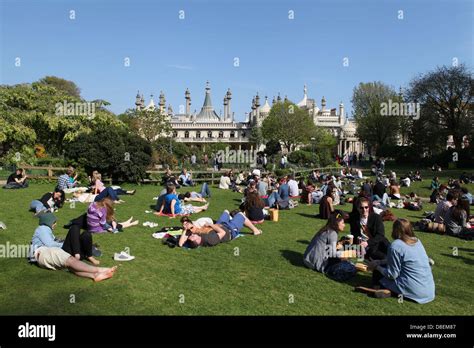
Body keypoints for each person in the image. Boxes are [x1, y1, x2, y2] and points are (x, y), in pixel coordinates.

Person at [357, 219, 435, 303]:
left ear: (395, 230)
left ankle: (382, 288)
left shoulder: (395, 246)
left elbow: (392, 275)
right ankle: (392, 291)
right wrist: (379, 262)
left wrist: (376, 267)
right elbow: (401, 260)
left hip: (414, 290)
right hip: (429, 291)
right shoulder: (417, 241)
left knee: (380, 274)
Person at [303, 210, 356, 281]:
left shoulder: (326, 229)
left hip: (308, 259)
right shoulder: (332, 233)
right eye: (343, 223)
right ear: (337, 222)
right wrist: (348, 253)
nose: (344, 225)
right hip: (317, 263)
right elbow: (333, 254)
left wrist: (338, 247)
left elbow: (326, 248)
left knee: (342, 255)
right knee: (350, 266)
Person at [179, 210, 262, 248]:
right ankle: (255, 231)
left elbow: (181, 244)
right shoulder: (207, 239)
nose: (192, 234)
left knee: (226, 211)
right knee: (240, 214)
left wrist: (186, 230)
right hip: (229, 229)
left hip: (220, 224)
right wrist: (211, 225)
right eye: (192, 236)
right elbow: (222, 232)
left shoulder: (198, 230)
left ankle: (232, 218)